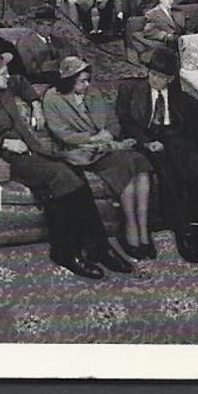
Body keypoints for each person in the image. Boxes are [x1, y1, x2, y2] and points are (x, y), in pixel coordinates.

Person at [0, 48, 132, 279]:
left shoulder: (6, 85)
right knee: (61, 176)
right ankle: (68, 252)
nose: (8, 76)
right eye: (3, 73)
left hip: (33, 150)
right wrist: (4, 143)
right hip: (10, 158)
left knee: (74, 176)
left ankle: (97, 247)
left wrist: (35, 103)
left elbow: (21, 82)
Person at [117, 45, 198, 264]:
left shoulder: (182, 98)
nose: (154, 80)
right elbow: (127, 122)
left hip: (177, 139)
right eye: (152, 74)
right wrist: (147, 142)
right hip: (151, 141)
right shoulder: (132, 91)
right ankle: (184, 232)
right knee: (170, 175)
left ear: (170, 79)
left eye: (160, 77)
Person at [43, 57, 154, 260]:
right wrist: (93, 138)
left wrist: (109, 135)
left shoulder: (93, 92)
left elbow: (112, 121)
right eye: (81, 81)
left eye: (87, 80)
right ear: (68, 81)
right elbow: (62, 134)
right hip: (81, 152)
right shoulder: (52, 98)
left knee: (139, 162)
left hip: (105, 147)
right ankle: (130, 229)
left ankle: (143, 229)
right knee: (125, 168)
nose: (87, 85)